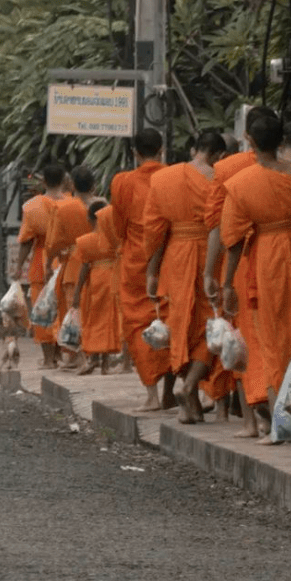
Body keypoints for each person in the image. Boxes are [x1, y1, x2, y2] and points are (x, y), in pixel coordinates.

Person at [221, 112, 291, 431]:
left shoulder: (241, 184)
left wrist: (228, 283)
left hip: (268, 257)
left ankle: (278, 422)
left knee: (270, 336)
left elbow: (233, 240)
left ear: (250, 142)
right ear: (282, 140)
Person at [144, 128, 226, 423]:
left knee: (178, 324)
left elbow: (155, 231)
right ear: (219, 155)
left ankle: (187, 399)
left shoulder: (165, 178)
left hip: (175, 257)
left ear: (194, 149)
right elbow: (222, 224)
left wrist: (152, 271)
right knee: (212, 324)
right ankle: (191, 384)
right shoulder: (220, 178)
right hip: (210, 255)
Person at [204, 107, 273, 437]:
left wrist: (210, 273)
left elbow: (217, 226)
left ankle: (251, 421)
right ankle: (277, 416)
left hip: (243, 260)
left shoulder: (228, 169)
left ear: (247, 137)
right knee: (277, 338)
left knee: (242, 338)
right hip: (282, 259)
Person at [111, 129, 174, 411]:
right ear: (161, 150)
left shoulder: (123, 182)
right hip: (171, 258)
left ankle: (152, 394)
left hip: (136, 260)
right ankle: (171, 388)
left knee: (137, 324)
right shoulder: (174, 177)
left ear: (134, 152)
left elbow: (118, 224)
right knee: (171, 317)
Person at [12, 164, 70, 366]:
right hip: (66, 261)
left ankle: (48, 359)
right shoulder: (72, 204)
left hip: (41, 259)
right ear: (64, 180)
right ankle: (60, 353)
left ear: (43, 182)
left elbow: (27, 240)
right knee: (63, 307)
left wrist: (19, 266)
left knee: (43, 308)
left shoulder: (32, 206)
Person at [45, 166, 99, 367]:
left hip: (74, 262)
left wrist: (49, 263)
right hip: (100, 263)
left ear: (72, 185)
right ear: (93, 185)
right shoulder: (101, 205)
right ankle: (94, 353)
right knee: (95, 311)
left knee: (73, 310)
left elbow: (53, 242)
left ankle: (76, 355)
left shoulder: (63, 208)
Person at [73, 200, 122, 374]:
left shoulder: (86, 241)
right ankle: (106, 363)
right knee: (110, 320)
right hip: (114, 278)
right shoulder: (115, 239)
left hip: (95, 281)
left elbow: (84, 267)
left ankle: (93, 357)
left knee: (94, 319)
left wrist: (77, 291)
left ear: (91, 219)